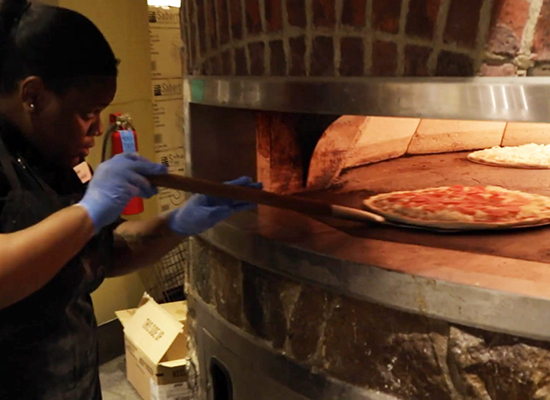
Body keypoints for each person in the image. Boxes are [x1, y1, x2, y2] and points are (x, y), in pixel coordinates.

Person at [0, 1, 261, 399]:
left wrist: (178, 223)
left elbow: (99, 252)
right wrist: (90, 210)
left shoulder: (47, 156)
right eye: (88, 113)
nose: (98, 128)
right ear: (32, 95)